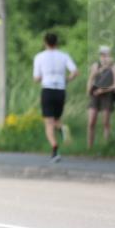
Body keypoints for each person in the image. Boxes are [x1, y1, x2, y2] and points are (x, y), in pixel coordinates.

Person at [33, 32, 78, 163]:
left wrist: (44, 76)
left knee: (48, 123)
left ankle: (54, 149)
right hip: (60, 90)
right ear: (57, 42)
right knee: (57, 119)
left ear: (45, 42)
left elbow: (36, 78)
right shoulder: (64, 56)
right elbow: (75, 72)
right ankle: (62, 128)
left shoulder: (39, 57)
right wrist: (67, 79)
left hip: (47, 89)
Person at [86, 45, 115, 148]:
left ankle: (106, 145)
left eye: (106, 55)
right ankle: (89, 146)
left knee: (105, 122)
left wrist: (103, 90)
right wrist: (88, 90)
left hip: (107, 94)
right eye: (102, 54)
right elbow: (91, 79)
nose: (104, 57)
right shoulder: (95, 65)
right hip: (95, 94)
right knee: (91, 121)